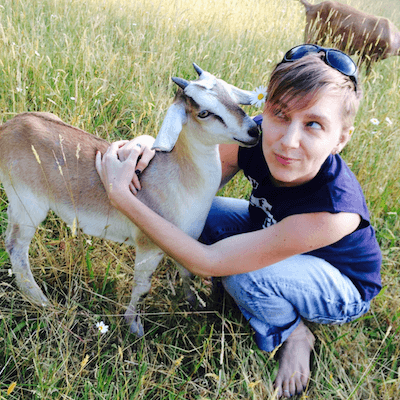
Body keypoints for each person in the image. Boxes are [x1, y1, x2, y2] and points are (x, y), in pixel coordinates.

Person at [95, 44, 382, 398]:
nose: (288, 142)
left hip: (339, 285)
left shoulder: (334, 211)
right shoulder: (258, 137)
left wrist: (121, 197)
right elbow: (194, 182)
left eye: (313, 124)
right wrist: (147, 148)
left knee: (239, 274)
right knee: (197, 213)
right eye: (280, 114)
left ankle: (293, 331)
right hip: (272, 231)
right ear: (265, 109)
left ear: (341, 138)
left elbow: (208, 263)